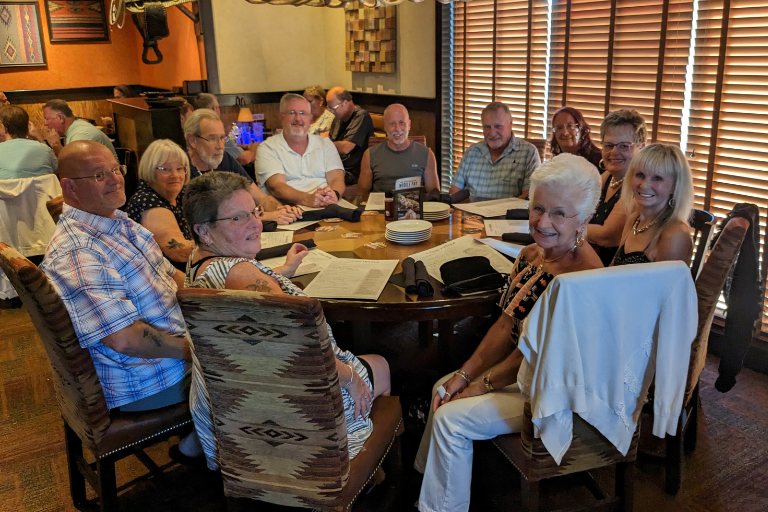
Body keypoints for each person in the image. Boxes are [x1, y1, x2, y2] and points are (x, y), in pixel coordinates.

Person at [414, 153, 603, 512]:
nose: (543, 222)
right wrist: (464, 374)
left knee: (450, 417)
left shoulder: (582, 277)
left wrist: (479, 386)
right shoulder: (534, 253)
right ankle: (432, 487)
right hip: (523, 375)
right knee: (443, 386)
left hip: (554, 394)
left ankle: (441, 506)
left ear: (586, 219)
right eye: (537, 208)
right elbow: (506, 325)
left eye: (559, 213)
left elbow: (531, 354)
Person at [178, 171, 391, 468]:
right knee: (381, 365)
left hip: (240, 408)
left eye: (254, 211)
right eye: (238, 218)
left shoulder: (200, 261)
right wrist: (351, 378)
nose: (255, 223)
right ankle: (366, 475)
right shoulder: (241, 274)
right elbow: (306, 346)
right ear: (204, 230)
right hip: (296, 410)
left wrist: (283, 270)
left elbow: (250, 294)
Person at [40, 141, 191, 413]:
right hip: (148, 380)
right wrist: (197, 350)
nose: (115, 180)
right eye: (100, 175)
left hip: (170, 355)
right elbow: (123, 339)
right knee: (259, 365)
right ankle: (205, 444)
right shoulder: (78, 251)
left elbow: (170, 275)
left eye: (115, 169)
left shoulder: (116, 221)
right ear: (69, 187)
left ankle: (197, 442)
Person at [184, 108, 300, 225]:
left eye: (222, 138)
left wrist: (282, 210)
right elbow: (211, 220)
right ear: (193, 140)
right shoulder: (180, 170)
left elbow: (261, 198)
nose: (220, 146)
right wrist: (265, 216)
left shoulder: (224, 159)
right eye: (212, 138)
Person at [256, 93, 345, 207]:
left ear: (310, 118)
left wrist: (334, 195)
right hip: (289, 209)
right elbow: (276, 187)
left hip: (328, 205)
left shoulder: (325, 144)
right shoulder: (267, 148)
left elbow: (337, 178)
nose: (298, 118)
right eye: (292, 113)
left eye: (303, 113)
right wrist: (308, 199)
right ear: (281, 117)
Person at [611, 143, 694, 266]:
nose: (644, 185)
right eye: (640, 175)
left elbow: (665, 285)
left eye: (657, 178)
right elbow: (611, 272)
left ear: (674, 187)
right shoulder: (634, 220)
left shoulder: (675, 234)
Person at [587, 109, 648, 266]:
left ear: (641, 148)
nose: (614, 152)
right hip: (589, 258)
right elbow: (576, 209)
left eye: (623, 146)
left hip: (614, 271)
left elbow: (605, 236)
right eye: (608, 145)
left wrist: (567, 229)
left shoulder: (640, 189)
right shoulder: (607, 177)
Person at [124, 139, 194, 270]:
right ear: (150, 170)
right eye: (165, 169)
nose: (175, 175)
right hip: (164, 280)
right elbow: (179, 252)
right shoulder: (146, 200)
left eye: (180, 169)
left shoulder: (183, 193)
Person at [449, 102, 541, 199]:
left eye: (498, 126)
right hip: (469, 213)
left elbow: (529, 198)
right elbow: (454, 192)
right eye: (487, 127)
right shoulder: (472, 151)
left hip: (506, 213)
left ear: (510, 124)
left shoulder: (528, 153)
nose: (492, 133)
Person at [357, 103, 439, 197]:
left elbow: (434, 195)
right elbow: (362, 194)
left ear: (409, 125)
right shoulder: (370, 155)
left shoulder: (427, 154)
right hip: (381, 209)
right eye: (392, 124)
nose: (397, 129)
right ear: (385, 127)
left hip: (414, 209)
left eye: (401, 123)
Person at [326, 87, 375, 185]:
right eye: (329, 108)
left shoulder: (361, 116)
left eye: (333, 108)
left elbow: (346, 147)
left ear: (345, 103)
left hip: (353, 172)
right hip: (336, 166)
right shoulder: (338, 119)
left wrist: (323, 143)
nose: (331, 112)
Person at [193, 92, 257, 166]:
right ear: (215, 109)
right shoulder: (216, 130)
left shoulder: (196, 128)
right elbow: (244, 159)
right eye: (218, 108)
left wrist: (245, 146)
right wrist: (257, 149)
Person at [42, 99, 117, 160]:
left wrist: (56, 145)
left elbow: (73, 165)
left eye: (47, 119)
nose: (45, 123)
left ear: (60, 118)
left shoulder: (80, 134)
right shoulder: (73, 129)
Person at [0, 106, 57, 180]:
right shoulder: (45, 150)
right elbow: (58, 171)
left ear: (4, 128)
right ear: (28, 127)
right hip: (41, 191)